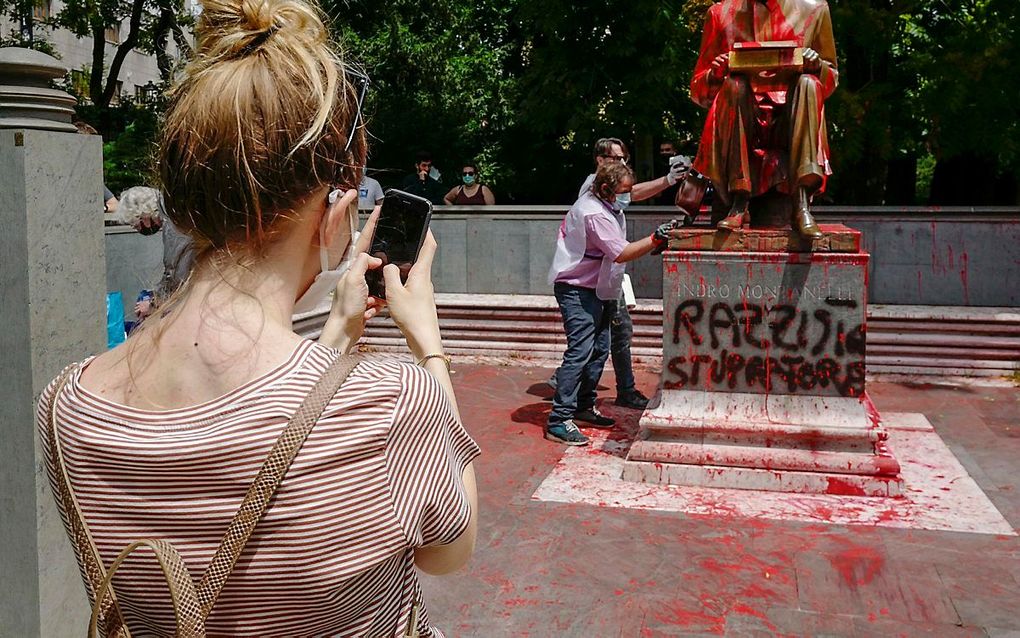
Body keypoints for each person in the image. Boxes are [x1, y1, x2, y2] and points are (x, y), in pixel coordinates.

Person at [37, 0, 479, 635]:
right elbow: (449, 551)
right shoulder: (388, 403)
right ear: (335, 215)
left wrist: (335, 338)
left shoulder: (66, 408)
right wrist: (429, 349)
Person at [545, 162, 677, 446]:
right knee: (580, 350)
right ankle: (558, 419)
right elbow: (622, 253)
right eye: (623, 191)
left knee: (600, 348)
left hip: (598, 287)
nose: (628, 196)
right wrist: (655, 238)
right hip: (576, 289)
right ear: (606, 189)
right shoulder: (594, 213)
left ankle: (583, 404)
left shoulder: (604, 203)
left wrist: (668, 180)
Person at [690, 0, 838, 238]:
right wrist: (714, 74)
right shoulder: (720, 14)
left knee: (809, 83)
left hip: (791, 119)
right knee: (734, 85)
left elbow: (831, 80)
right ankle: (739, 199)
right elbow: (698, 90)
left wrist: (817, 66)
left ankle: (801, 202)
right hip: (741, 118)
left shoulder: (814, 9)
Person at [117, 185, 198, 321]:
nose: (137, 229)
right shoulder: (174, 213)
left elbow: (177, 275)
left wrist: (153, 304)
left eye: (136, 224)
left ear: (143, 214)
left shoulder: (173, 227)